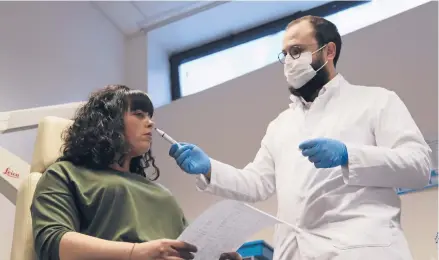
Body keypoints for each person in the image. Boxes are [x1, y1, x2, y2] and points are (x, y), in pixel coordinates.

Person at [169, 16, 433, 260]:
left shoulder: (376, 101)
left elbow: (418, 166)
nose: (290, 61)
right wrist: (209, 169)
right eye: (285, 54)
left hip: (362, 250)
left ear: (329, 51)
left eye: (297, 51)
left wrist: (348, 155)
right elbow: (257, 183)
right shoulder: (280, 126)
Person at [31, 85, 242, 260]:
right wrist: (137, 252)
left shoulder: (162, 194)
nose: (150, 122)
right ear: (107, 122)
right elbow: (52, 242)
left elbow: (187, 252)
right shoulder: (65, 175)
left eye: (150, 116)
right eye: (139, 114)